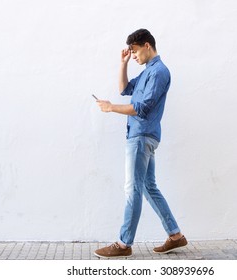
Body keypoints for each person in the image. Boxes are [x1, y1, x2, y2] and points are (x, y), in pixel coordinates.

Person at [94, 29, 187, 258]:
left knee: (133, 189)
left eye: (134, 52)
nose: (133, 56)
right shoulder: (147, 72)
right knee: (148, 187)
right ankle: (175, 235)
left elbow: (142, 108)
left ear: (147, 45)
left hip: (141, 136)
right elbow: (124, 89)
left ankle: (124, 244)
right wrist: (123, 63)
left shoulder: (158, 72)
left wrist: (111, 107)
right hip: (142, 136)